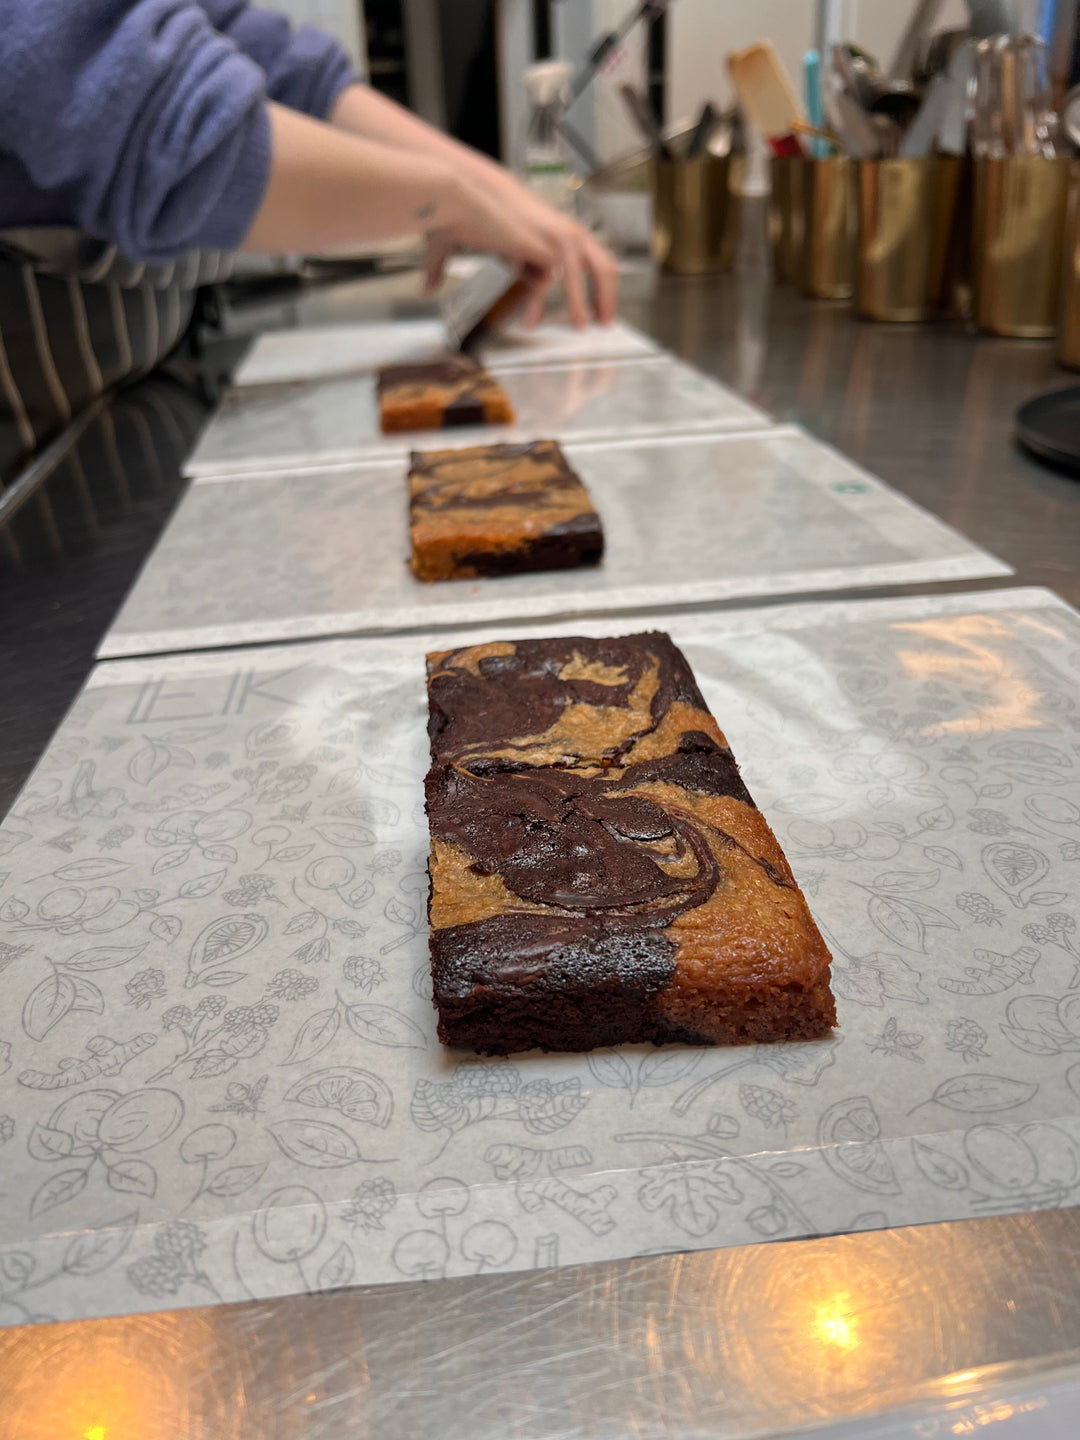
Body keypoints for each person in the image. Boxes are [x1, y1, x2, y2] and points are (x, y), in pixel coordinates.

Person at [0, 0, 620, 482]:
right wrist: (453, 198)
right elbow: (165, 128)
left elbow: (277, 66)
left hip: (142, 398)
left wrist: (490, 188)